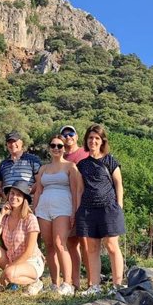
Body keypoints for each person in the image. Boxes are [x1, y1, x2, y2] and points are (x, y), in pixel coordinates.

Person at [75, 124, 126, 297]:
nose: (93, 141)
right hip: (88, 210)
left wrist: (119, 205)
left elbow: (118, 183)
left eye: (97, 138)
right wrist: (78, 210)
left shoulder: (110, 160)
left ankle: (117, 284)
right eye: (90, 138)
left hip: (109, 208)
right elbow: (80, 189)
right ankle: (94, 286)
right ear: (86, 140)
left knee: (112, 246)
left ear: (102, 141)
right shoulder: (81, 164)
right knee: (92, 249)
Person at [33, 135, 81, 296]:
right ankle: (55, 283)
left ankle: (68, 283)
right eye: (53, 145)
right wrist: (34, 210)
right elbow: (38, 191)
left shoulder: (71, 167)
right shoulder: (43, 169)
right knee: (49, 246)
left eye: (59, 146)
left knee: (60, 244)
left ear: (64, 148)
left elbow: (75, 191)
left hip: (63, 207)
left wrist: (75, 211)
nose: (56, 148)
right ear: (49, 148)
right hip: (43, 208)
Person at [0, 180, 45, 295]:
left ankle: (36, 282)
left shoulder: (30, 219)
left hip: (30, 261)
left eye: (19, 195)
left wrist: (9, 268)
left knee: (10, 273)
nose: (14, 197)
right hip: (12, 259)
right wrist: (1, 215)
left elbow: (29, 251)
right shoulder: (5, 217)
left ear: (24, 199)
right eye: (12, 193)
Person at [60, 124, 89, 291]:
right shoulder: (61, 157)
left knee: (86, 244)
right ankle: (75, 282)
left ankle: (92, 283)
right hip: (67, 206)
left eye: (71, 133)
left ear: (77, 137)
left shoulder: (84, 154)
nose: (68, 136)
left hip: (85, 204)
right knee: (71, 244)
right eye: (65, 134)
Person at [0, 131, 42, 200]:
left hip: (27, 205)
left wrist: (25, 193)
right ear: (7, 145)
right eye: (9, 142)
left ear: (21, 143)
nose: (13, 144)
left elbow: (40, 181)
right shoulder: (2, 164)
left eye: (15, 141)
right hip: (7, 206)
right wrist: (6, 196)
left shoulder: (33, 160)